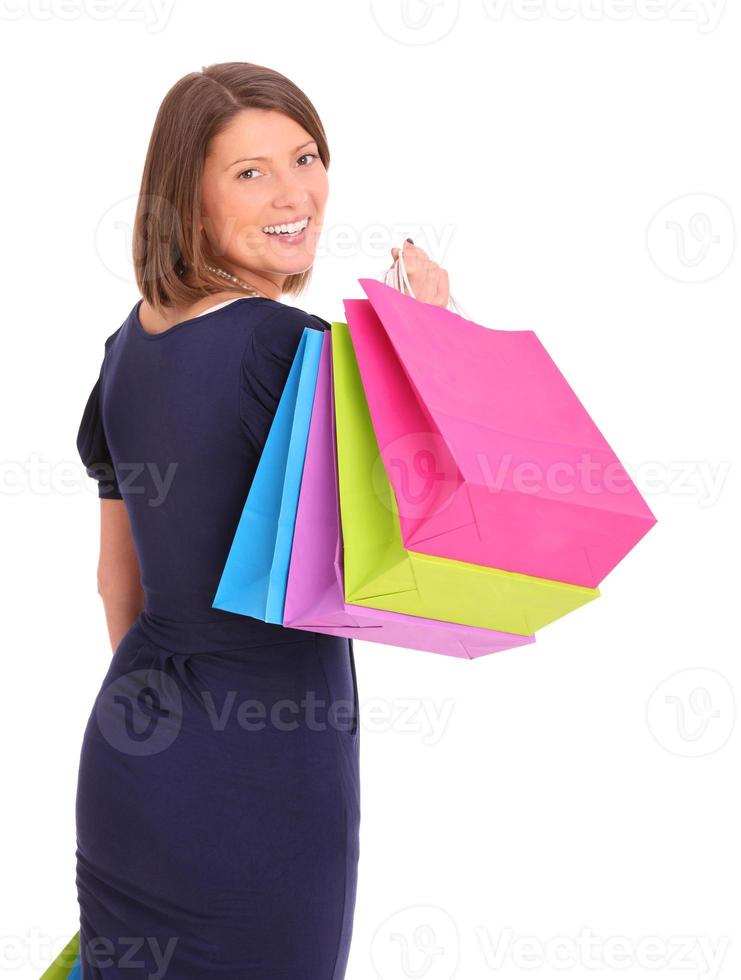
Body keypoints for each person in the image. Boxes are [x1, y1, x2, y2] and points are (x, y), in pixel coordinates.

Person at [74, 61, 450, 978]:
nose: (295, 194)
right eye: (250, 172)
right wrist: (430, 336)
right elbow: (424, 543)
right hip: (263, 778)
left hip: (133, 758)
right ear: (187, 201)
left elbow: (116, 583)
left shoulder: (127, 346)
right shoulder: (291, 351)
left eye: (306, 156)